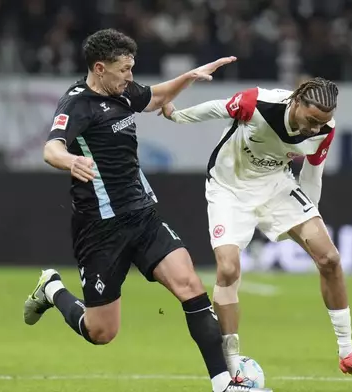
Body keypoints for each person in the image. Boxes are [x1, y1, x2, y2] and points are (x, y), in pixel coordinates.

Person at [23, 28, 270, 392]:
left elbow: (154, 98)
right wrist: (69, 161)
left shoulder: (122, 92)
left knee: (190, 286)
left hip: (143, 216)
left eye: (132, 68)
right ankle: (53, 289)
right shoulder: (77, 104)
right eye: (124, 69)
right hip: (101, 229)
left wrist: (188, 78)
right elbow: (51, 148)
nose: (130, 77)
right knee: (101, 331)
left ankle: (224, 384)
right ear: (100, 68)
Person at [159, 77, 352, 382]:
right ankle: (232, 363)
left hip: (276, 188)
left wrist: (309, 218)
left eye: (323, 121)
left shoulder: (325, 131)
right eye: (312, 119)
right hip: (230, 189)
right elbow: (218, 108)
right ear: (297, 102)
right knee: (227, 269)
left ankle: (348, 353)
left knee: (329, 258)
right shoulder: (259, 103)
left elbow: (311, 175)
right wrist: (176, 115)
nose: (316, 127)